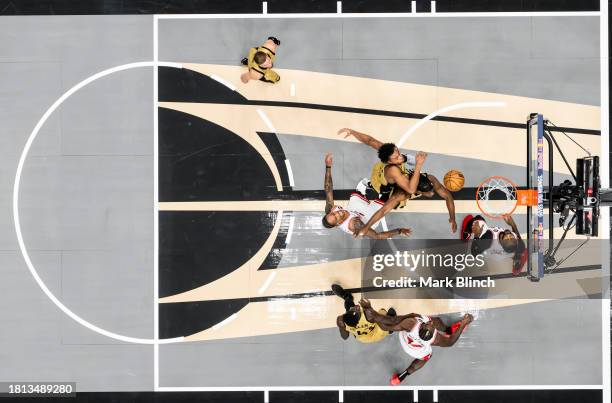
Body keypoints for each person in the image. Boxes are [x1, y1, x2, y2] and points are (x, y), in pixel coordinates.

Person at [337, 128, 457, 237]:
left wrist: (452, 218)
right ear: (388, 161)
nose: (400, 157)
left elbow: (369, 140)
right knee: (414, 192)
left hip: (392, 175)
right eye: (396, 157)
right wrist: (418, 165)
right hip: (380, 182)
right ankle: (375, 187)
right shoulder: (397, 180)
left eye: (398, 153)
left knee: (430, 192)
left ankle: (422, 189)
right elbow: (385, 208)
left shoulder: (389, 152)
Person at [359, 298, 473, 384]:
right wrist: (463, 324)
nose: (430, 324)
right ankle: (402, 377)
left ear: (421, 326)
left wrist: (371, 312)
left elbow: (386, 326)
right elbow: (450, 342)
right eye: (430, 325)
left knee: (433, 320)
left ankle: (401, 377)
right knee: (426, 357)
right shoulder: (435, 339)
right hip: (418, 351)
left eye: (428, 325)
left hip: (405, 341)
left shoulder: (410, 324)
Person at [322, 153, 412, 239]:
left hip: (354, 209)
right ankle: (391, 189)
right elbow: (377, 236)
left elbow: (328, 188)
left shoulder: (330, 210)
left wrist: (328, 166)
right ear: (338, 224)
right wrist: (399, 231)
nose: (337, 213)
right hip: (368, 216)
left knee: (361, 184)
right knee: (389, 193)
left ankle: (371, 184)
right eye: (336, 217)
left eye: (333, 214)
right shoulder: (354, 225)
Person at [461, 213, 527, 275]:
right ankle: (517, 260)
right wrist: (513, 224)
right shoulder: (516, 243)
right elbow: (518, 239)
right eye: (512, 236)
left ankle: (466, 233)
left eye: (507, 237)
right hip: (502, 254)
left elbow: (474, 253)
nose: (508, 234)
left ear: (501, 240)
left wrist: (476, 235)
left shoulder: (489, 238)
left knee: (479, 220)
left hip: (485, 249)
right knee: (521, 249)